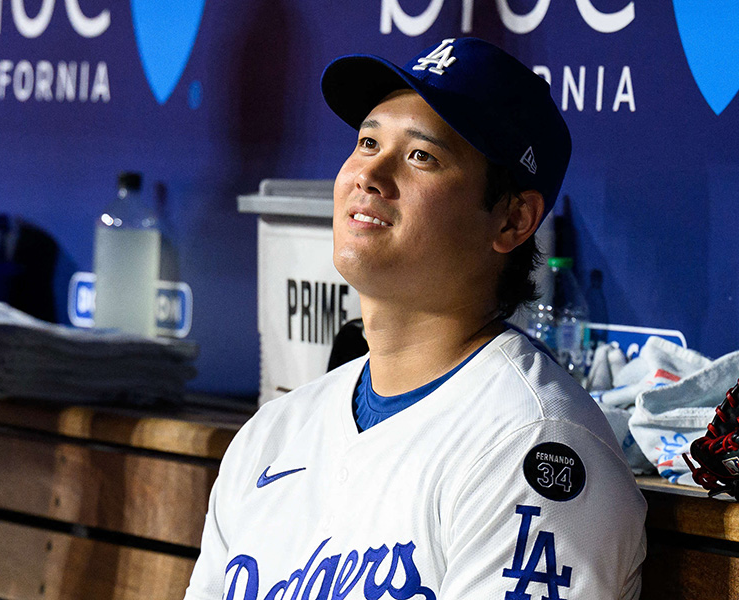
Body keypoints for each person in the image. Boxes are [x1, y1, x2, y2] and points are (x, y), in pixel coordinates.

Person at [184, 37, 646, 600]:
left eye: (420, 155)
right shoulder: (272, 435)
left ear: (512, 219)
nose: (369, 174)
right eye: (367, 141)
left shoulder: (533, 444)